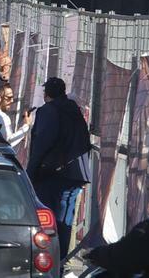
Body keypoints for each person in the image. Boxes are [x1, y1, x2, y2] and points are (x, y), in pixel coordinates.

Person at [28, 77, 93, 259]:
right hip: (75, 173)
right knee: (65, 219)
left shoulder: (48, 111)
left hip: (51, 173)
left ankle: (47, 257)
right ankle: (61, 259)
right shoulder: (74, 110)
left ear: (46, 94)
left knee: (46, 218)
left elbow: (42, 143)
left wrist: (30, 173)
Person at [0, 82, 31, 147]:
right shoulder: (2, 117)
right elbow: (9, 142)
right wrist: (26, 126)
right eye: (9, 97)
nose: (12, 101)